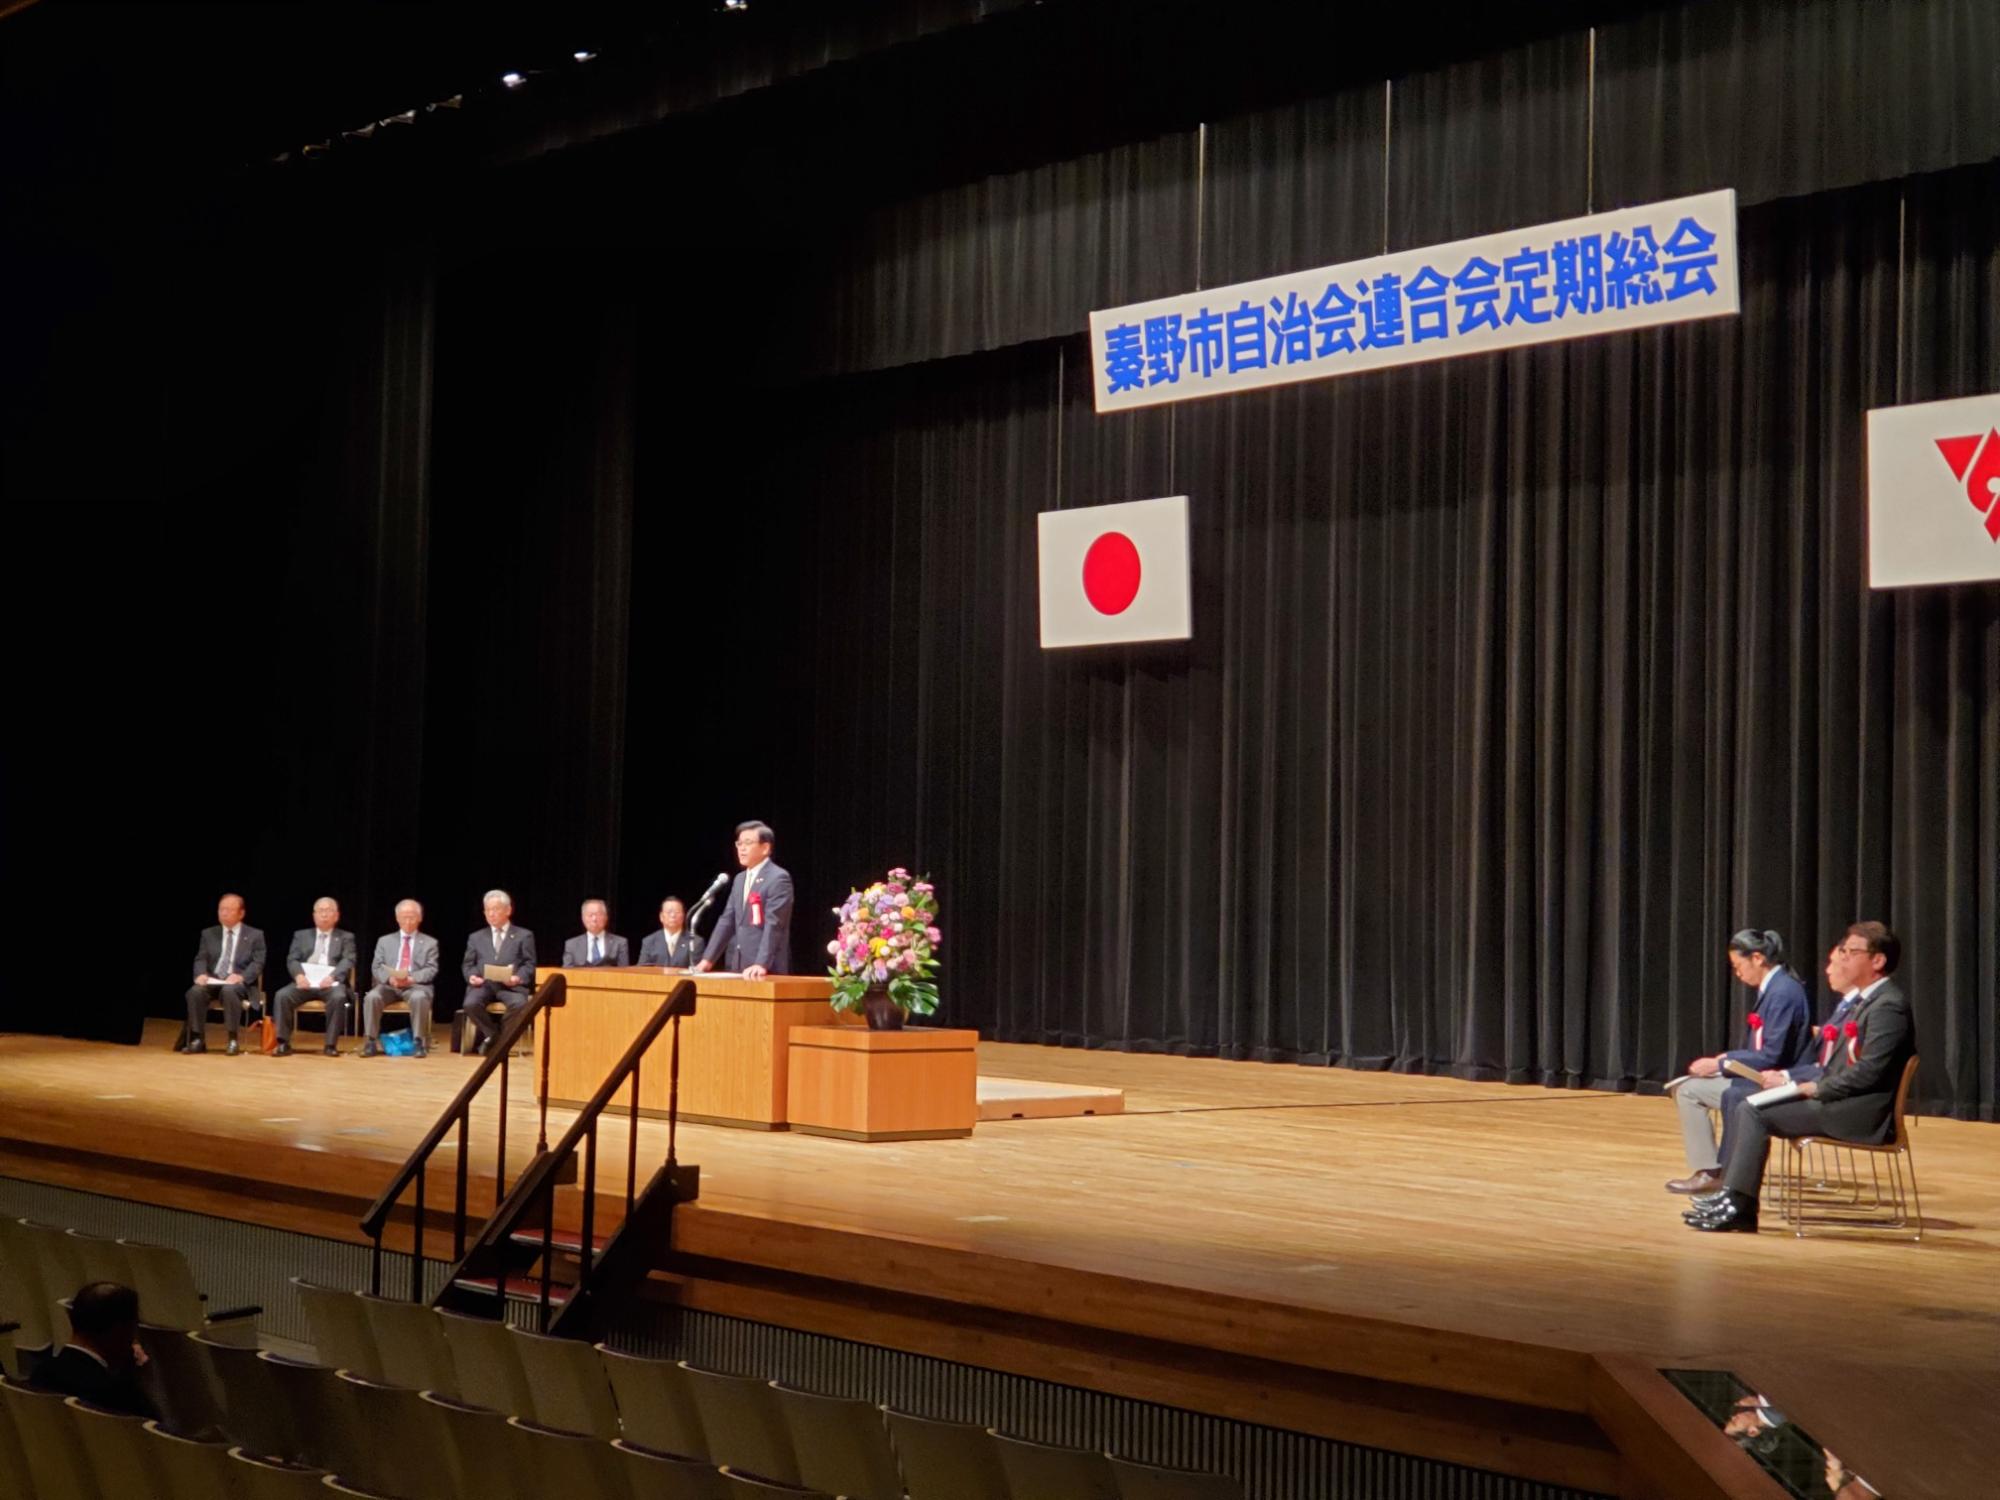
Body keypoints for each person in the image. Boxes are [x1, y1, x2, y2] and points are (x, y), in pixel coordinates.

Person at [1687, 922, 1916, 1233]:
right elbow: (1836, 1066)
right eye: (1843, 952)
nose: (1843, 958)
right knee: (1750, 1104)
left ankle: (1738, 1205)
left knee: (1752, 1110)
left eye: (1851, 952)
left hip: (1856, 1112)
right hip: (1841, 1100)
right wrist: (1792, 1080)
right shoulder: (1867, 1001)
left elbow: (1868, 1072)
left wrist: (1815, 1087)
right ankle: (1734, 1199)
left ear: (1877, 961)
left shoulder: (1889, 1006)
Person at [1665, 929, 1813, 1195]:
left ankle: (1712, 1172)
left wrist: (1722, 1063)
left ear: (1757, 958)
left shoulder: (1783, 992)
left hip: (1777, 1080)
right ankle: (1713, 1170)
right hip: (1764, 1073)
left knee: (1688, 1091)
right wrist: (1727, 1060)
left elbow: (1772, 1055)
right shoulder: (1776, 987)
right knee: (1687, 1086)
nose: (1738, 974)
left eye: (1738, 966)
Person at [28, 1281, 158, 1420]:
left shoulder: (40, 1373)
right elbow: (152, 1425)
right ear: (121, 1331)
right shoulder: (115, 1394)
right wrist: (137, 1380)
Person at [695, 821, 793, 981]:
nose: (741, 848)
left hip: (765, 968)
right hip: (737, 963)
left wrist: (761, 963)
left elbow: (774, 924)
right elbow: (727, 920)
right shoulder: (740, 879)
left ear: (765, 848)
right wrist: (708, 959)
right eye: (739, 843)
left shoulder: (778, 878)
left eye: (748, 843)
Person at [271, 897, 358, 1057]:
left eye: (328, 911)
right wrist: (298, 976)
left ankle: (330, 1044)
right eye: (321, 911)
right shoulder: (301, 935)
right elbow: (292, 959)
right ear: (314, 915)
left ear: (336, 915)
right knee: (282, 995)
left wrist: (333, 977)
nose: (324, 915)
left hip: (330, 983)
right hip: (305, 982)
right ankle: (283, 1043)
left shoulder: (346, 937)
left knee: (339, 997)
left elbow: (348, 960)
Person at [183, 893, 266, 1055]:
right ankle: (198, 1039)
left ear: (241, 913)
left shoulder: (255, 935)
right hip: (214, 980)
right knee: (195, 992)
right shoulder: (208, 934)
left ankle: (233, 1039)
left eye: (229, 910)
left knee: (230, 991)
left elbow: (258, 963)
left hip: (239, 983)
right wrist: (200, 974)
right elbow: (201, 958)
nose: (224, 913)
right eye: (221, 909)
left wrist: (241, 977)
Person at [459, 889, 537, 1054]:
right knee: (470, 1004)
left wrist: (518, 978)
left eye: (496, 909)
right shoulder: (476, 937)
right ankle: (495, 1037)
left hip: (510, 986)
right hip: (484, 985)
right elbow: (468, 964)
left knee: (520, 1005)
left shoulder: (524, 935)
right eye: (488, 910)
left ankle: (499, 1040)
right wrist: (471, 976)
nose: (491, 914)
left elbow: (529, 964)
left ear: (508, 910)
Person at [360, 900, 440, 1058]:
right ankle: (370, 1041)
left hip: (415, 986)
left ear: (420, 918)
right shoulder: (384, 941)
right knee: (372, 997)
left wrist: (411, 979)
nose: (408, 922)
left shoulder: (430, 943)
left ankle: (419, 1042)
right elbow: (376, 967)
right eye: (404, 917)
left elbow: (432, 969)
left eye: (412, 917)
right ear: (397, 918)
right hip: (390, 985)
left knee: (419, 998)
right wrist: (390, 979)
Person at [561, 899, 630, 967]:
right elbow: (567, 973)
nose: (594, 919)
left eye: (598, 914)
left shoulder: (620, 942)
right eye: (590, 915)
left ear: (606, 917)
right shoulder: (571, 944)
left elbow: (624, 972)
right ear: (583, 918)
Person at [637, 896, 700, 967]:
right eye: (669, 912)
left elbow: (697, 972)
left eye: (677, 912)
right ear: (661, 917)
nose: (673, 915)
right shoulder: (649, 941)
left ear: (683, 916)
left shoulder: (695, 942)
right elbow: (641, 970)